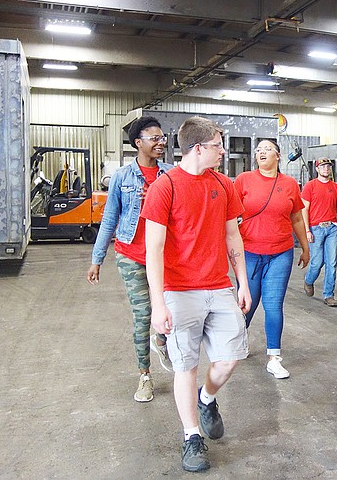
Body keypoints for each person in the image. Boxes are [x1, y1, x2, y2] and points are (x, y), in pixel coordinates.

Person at [143, 117, 251, 473]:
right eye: (219, 144)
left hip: (219, 285)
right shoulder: (165, 187)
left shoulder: (223, 184)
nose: (224, 150)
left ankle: (208, 399)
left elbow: (233, 236)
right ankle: (191, 437)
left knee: (230, 358)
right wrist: (158, 304)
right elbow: (154, 248)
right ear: (199, 148)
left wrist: (242, 283)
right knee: (186, 366)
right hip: (179, 290)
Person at [86, 116, 174, 403]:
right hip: (130, 254)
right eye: (155, 138)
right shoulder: (123, 177)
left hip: (163, 256)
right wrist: (96, 258)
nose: (161, 143)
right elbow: (110, 217)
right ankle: (145, 376)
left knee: (170, 312)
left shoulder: (171, 175)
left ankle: (161, 341)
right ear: (139, 143)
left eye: (163, 138)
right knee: (142, 316)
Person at [234, 139, 310, 380]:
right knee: (247, 303)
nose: (261, 152)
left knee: (273, 304)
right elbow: (228, 215)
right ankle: (238, 340)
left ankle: (274, 358)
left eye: (267, 149)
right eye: (258, 150)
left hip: (280, 252)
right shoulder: (244, 180)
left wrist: (305, 248)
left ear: (278, 155)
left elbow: (297, 218)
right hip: (249, 252)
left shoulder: (289, 184)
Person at [301, 157, 337, 306]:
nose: (326, 169)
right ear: (317, 169)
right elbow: (304, 209)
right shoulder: (310, 186)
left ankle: (328, 295)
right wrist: (307, 230)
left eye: (328, 166)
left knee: (332, 263)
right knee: (316, 263)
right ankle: (309, 280)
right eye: (323, 166)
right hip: (316, 228)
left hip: (332, 228)